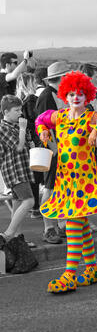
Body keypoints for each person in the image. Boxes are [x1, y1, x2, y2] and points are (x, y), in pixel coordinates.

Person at [35, 70, 97, 293]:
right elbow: (40, 119)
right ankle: (92, 268)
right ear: (65, 96)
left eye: (80, 94)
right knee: (81, 223)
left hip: (84, 182)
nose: (75, 98)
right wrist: (43, 132)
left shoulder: (91, 117)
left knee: (74, 223)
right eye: (71, 94)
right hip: (65, 180)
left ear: (87, 96)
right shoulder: (60, 116)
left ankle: (70, 273)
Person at [36, 61, 70, 244]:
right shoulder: (47, 96)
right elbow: (42, 125)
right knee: (49, 188)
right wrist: (54, 149)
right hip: (52, 150)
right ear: (62, 78)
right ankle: (48, 228)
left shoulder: (57, 94)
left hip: (62, 149)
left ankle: (59, 224)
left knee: (58, 188)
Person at [0, 95, 35, 245]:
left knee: (17, 203)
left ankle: (17, 239)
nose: (20, 113)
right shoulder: (3, 128)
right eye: (16, 110)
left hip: (21, 168)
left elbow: (26, 144)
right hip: (14, 171)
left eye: (20, 109)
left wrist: (27, 136)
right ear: (6, 112)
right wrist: (22, 128)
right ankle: (8, 234)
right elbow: (19, 147)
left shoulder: (13, 126)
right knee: (29, 201)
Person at [78, 63, 97, 232]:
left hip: (95, 144)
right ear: (87, 77)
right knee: (84, 184)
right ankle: (83, 222)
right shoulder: (79, 97)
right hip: (82, 148)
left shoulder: (94, 95)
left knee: (93, 184)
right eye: (96, 77)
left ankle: (86, 221)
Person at [16, 72, 43, 219]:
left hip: (24, 139)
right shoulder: (32, 99)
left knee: (31, 174)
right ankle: (36, 207)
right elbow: (36, 118)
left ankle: (33, 207)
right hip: (34, 139)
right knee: (37, 174)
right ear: (29, 84)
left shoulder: (19, 101)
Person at [0, 51, 35, 116]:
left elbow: (31, 70)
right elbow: (14, 75)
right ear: (7, 65)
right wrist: (25, 60)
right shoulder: (1, 76)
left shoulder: (10, 77)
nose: (17, 65)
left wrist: (30, 58)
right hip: (5, 115)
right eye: (15, 63)